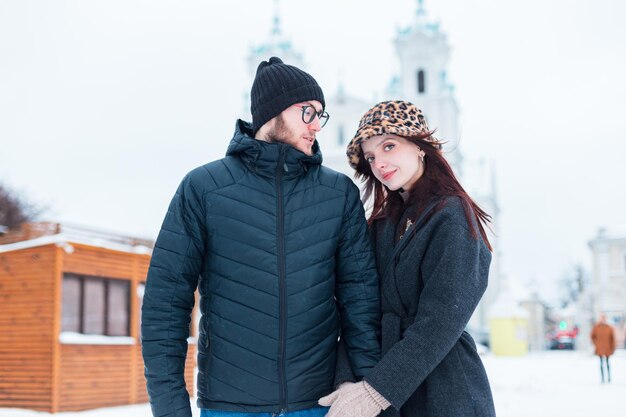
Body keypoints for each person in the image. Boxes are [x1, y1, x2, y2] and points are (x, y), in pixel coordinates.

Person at [141, 57, 381, 417]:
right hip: (229, 407)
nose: (317, 124)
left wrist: (367, 393)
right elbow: (165, 304)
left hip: (317, 406)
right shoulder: (204, 188)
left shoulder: (338, 193)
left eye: (322, 114)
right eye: (308, 111)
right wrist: (171, 408)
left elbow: (360, 300)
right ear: (273, 111)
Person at [319, 100, 496, 417]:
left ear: (420, 147)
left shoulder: (453, 216)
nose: (379, 163)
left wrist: (376, 392)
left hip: (445, 392)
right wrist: (347, 379)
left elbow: (439, 322)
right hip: (387, 387)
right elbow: (360, 307)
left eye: (389, 146)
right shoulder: (382, 224)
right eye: (371, 156)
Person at [591, 314, 616, 383]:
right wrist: (596, 344)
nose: (603, 320)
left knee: (608, 363)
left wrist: (613, 347)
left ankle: (609, 377)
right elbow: (592, 336)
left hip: (608, 348)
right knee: (601, 363)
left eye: (604, 319)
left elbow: (613, 338)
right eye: (601, 319)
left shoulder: (609, 328)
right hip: (600, 348)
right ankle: (602, 378)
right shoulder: (596, 327)